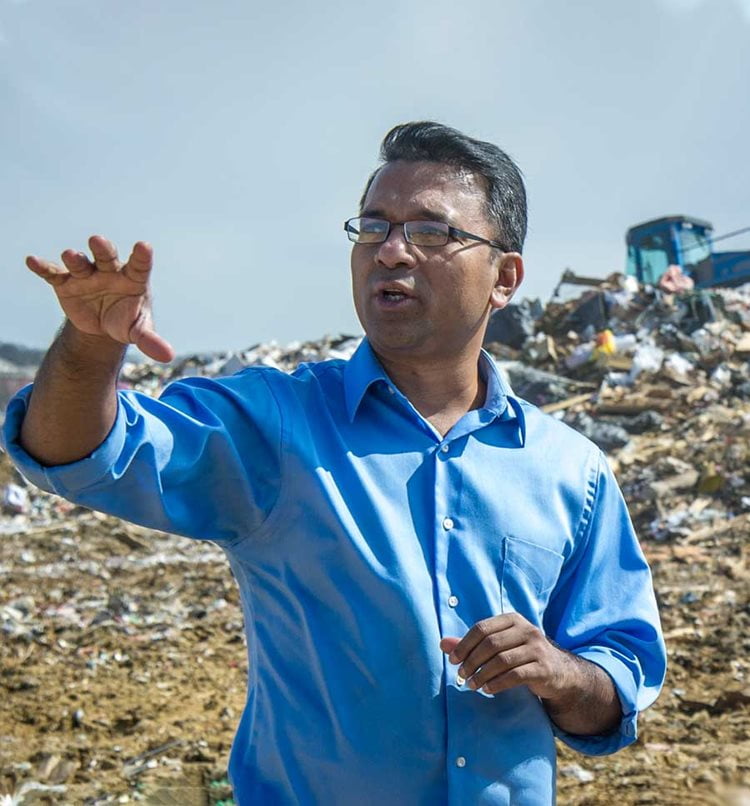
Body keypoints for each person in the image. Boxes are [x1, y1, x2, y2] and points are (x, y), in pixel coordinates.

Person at [2, 121, 666, 805]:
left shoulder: (569, 472)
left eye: (430, 232)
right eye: (374, 228)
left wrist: (560, 672)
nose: (391, 252)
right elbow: (75, 452)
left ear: (505, 277)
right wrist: (88, 347)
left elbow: (616, 692)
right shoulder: (275, 425)